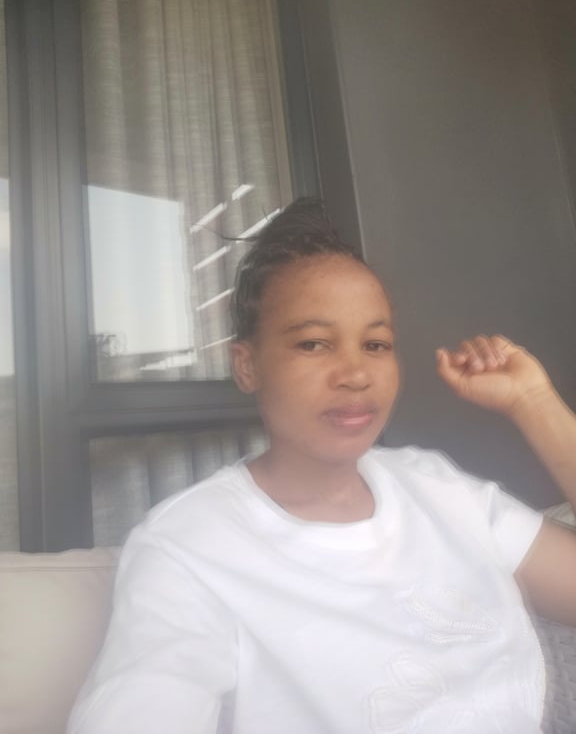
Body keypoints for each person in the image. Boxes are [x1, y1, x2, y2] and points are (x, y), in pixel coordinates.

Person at [68, 198, 576, 734]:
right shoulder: (188, 547)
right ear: (247, 365)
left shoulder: (438, 486)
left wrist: (533, 401)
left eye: (375, 344)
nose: (356, 373)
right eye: (313, 343)